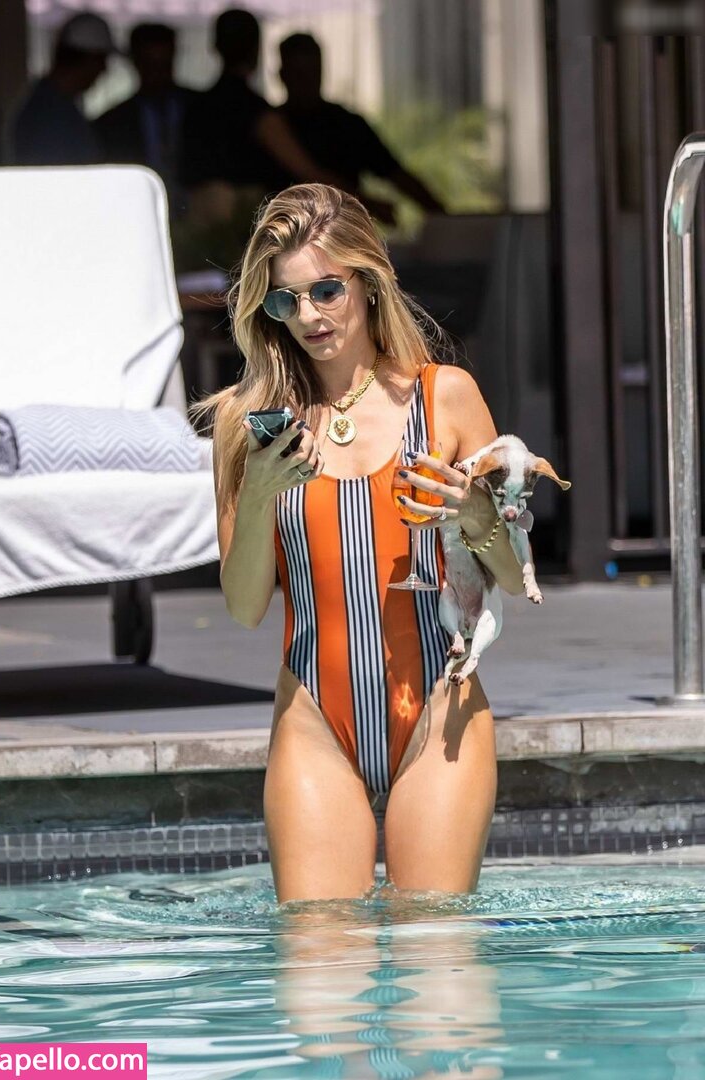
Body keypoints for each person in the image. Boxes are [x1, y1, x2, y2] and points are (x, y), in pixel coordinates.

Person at [199, 183, 524, 903]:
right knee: (317, 957)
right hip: (314, 719)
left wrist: (476, 513)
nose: (308, 316)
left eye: (326, 291)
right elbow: (246, 608)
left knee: (435, 950)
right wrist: (257, 496)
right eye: (285, 301)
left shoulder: (444, 398)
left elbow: (510, 573)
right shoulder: (246, 422)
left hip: (440, 710)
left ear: (369, 281)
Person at [179, 9, 343, 198]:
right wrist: (360, 201)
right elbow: (307, 172)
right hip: (247, 214)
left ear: (215, 47)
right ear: (256, 49)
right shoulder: (258, 112)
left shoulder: (196, 108)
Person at [277, 33, 447, 214]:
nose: (307, 83)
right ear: (284, 76)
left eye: (312, 73)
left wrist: (441, 214)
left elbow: (394, 172)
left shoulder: (346, 124)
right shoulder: (275, 127)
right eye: (300, 75)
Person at [96, 22, 194, 212]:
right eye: (150, 65)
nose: (158, 74)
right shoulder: (113, 123)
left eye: (164, 65)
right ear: (136, 63)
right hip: (136, 211)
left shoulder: (201, 109)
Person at [11, 12, 115, 166]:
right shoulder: (49, 113)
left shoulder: (53, 105)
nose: (104, 69)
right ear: (88, 59)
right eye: (102, 60)